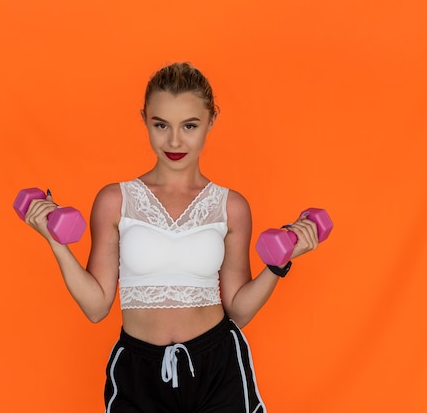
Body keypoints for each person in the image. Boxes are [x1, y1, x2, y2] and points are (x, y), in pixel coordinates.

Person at [24, 62, 320, 412]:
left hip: (217, 366)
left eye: (189, 126)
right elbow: (96, 306)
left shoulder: (231, 206)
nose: (175, 141)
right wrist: (55, 242)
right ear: (144, 119)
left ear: (211, 121)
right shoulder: (115, 200)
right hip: (138, 370)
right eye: (160, 125)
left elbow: (237, 311)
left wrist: (277, 265)